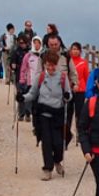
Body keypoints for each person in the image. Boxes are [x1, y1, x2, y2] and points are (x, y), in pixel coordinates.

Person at [19, 51, 73, 180]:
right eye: (48, 65)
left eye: (53, 65)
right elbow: (32, 94)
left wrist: (67, 96)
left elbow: (69, 94)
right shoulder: (40, 77)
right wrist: (22, 98)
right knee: (47, 142)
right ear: (44, 65)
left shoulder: (63, 77)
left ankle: (57, 160)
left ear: (57, 65)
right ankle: (47, 169)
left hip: (58, 114)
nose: (50, 68)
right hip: (43, 114)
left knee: (59, 142)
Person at [18, 36, 43, 120]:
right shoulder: (28, 55)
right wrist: (22, 79)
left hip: (40, 82)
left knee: (37, 101)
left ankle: (35, 116)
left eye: (38, 43)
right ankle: (26, 114)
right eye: (35, 43)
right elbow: (23, 68)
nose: (36, 45)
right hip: (30, 81)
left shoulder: (43, 55)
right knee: (28, 98)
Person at [68, 42, 89, 137]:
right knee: (68, 111)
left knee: (79, 112)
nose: (75, 51)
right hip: (69, 89)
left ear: (80, 51)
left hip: (80, 90)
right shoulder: (68, 61)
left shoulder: (83, 62)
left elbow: (86, 77)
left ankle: (80, 133)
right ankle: (67, 132)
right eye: (73, 49)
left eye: (77, 49)